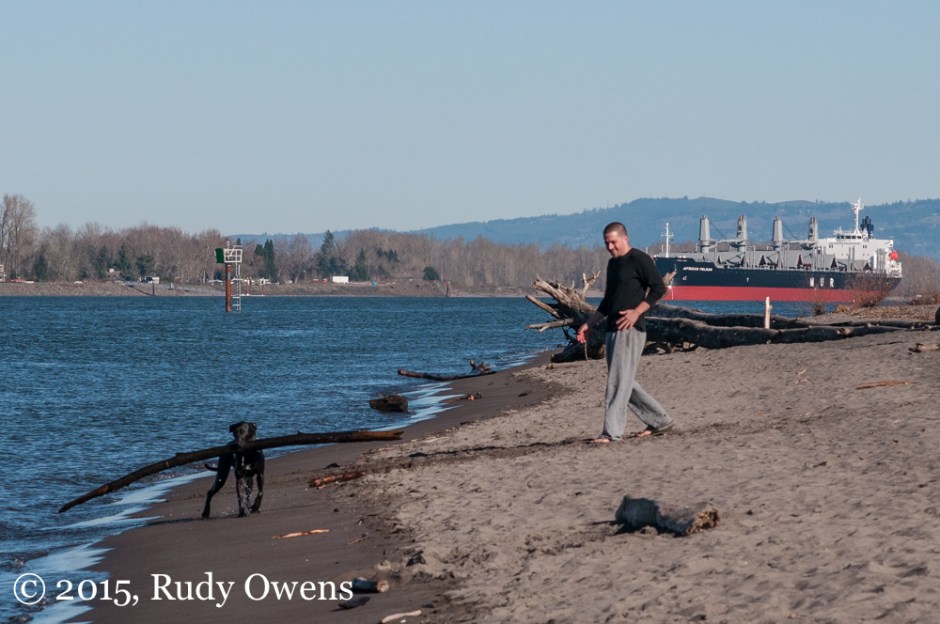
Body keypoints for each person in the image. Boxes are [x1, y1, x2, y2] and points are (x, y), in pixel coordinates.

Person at [576, 222, 673, 443]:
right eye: (606, 243)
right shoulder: (613, 265)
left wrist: (636, 312)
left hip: (631, 329)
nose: (610, 247)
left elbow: (659, 288)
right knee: (625, 381)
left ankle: (611, 432)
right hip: (612, 329)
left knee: (617, 382)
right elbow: (608, 300)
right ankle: (660, 420)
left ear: (625, 238)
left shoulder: (639, 259)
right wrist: (589, 323)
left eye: (613, 242)